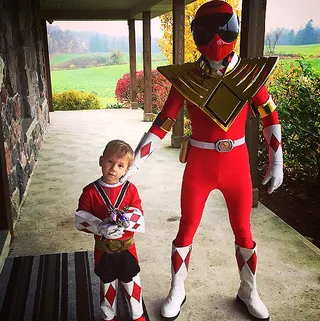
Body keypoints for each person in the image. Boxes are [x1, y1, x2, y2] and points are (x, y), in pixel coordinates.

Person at [121, 1, 283, 321]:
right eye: (209, 30)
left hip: (236, 163)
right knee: (187, 229)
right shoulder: (186, 79)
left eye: (225, 28)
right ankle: (177, 289)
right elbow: (163, 122)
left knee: (243, 232)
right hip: (201, 164)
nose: (218, 39)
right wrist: (134, 162)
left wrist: (277, 161)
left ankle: (248, 289)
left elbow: (270, 116)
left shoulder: (249, 75)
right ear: (198, 34)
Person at [75, 140, 146, 321]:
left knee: (132, 281)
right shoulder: (90, 191)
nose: (114, 168)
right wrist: (100, 227)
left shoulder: (130, 190)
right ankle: (108, 315)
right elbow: (81, 217)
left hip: (127, 247)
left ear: (127, 169)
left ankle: (137, 315)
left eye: (121, 165)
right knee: (107, 283)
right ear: (101, 160)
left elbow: (138, 213)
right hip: (103, 248)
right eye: (110, 162)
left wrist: (124, 223)